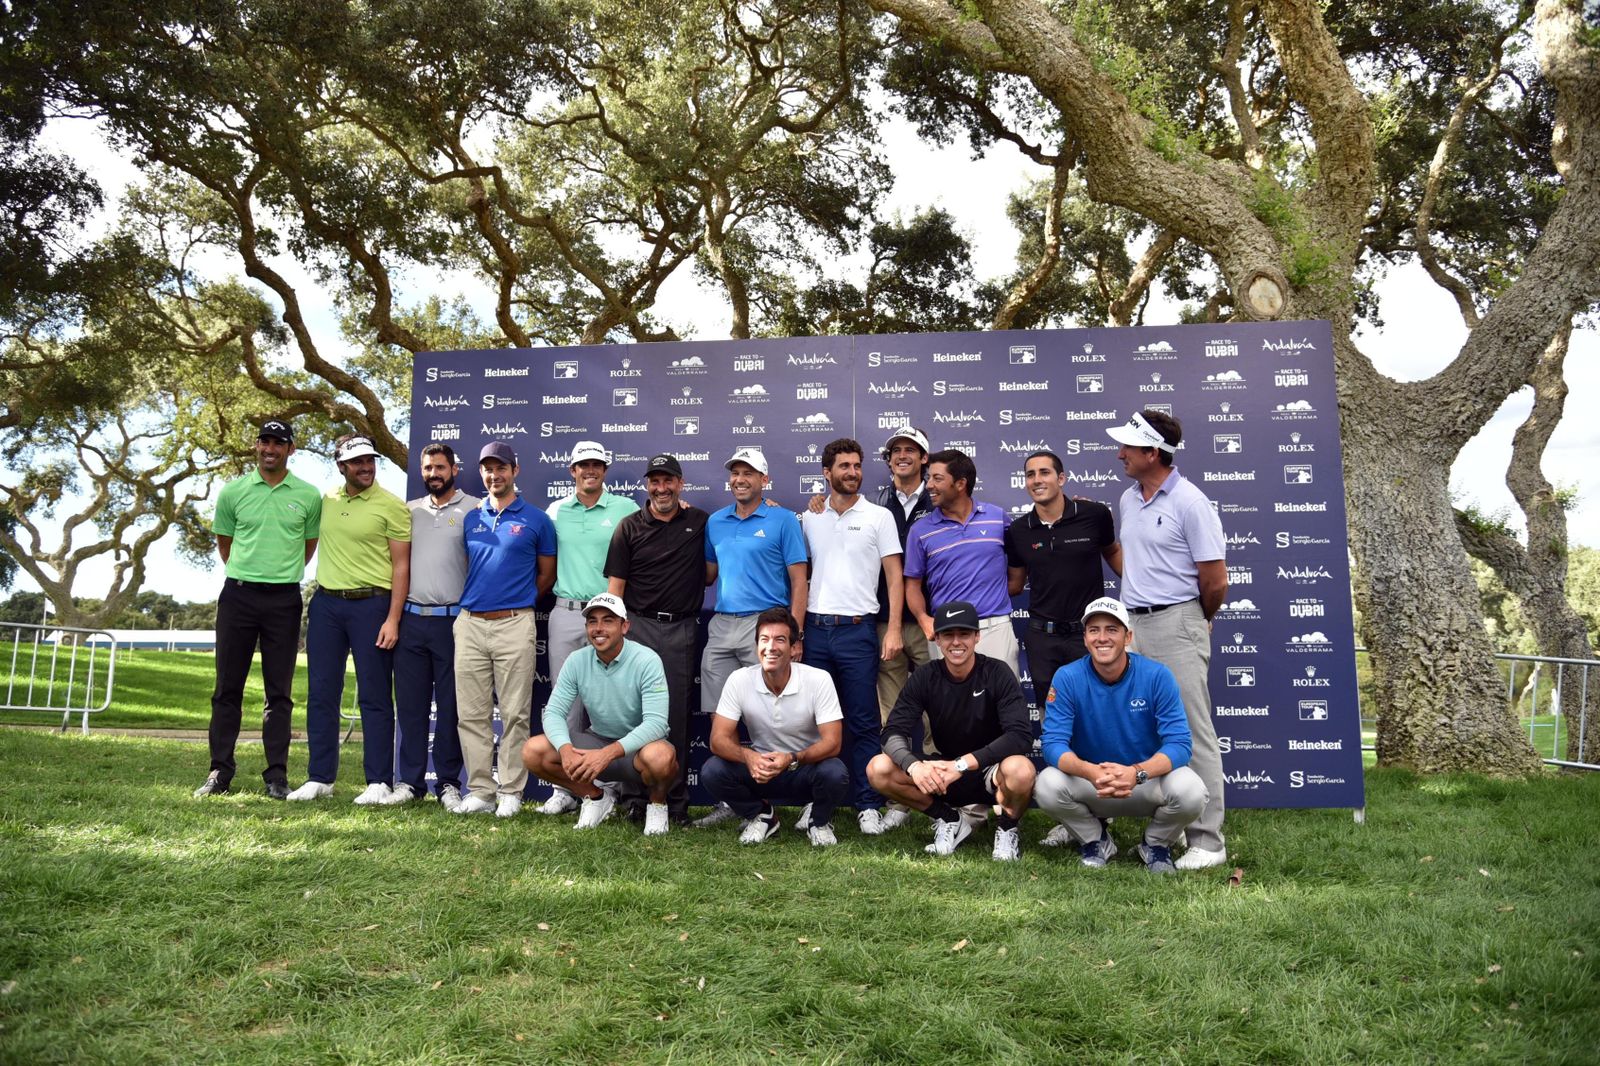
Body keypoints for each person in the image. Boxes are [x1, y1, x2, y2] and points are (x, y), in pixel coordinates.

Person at [1106, 409, 1229, 870]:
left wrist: (1198, 617)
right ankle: (1173, 824)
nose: (1120, 454)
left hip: (1178, 621)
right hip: (1134, 625)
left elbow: (1215, 580)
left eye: (1127, 448)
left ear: (1152, 453)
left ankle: (1209, 841)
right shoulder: (1129, 498)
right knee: (1147, 731)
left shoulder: (1192, 503)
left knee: (1193, 734)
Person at [194, 418, 320, 800]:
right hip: (238, 597)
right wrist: (248, 573)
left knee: (278, 693)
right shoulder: (233, 492)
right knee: (226, 690)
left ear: (290, 449)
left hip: (284, 599)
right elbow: (225, 544)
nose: (270, 449)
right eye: (265, 441)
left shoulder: (309, 495)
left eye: (278, 443)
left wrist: (277, 574)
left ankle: (277, 776)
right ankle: (220, 771)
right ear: (256, 446)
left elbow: (308, 546)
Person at [1033, 597, 1207, 874]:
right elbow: (1053, 744)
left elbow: (1180, 744)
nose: (1102, 638)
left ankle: (1155, 843)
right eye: (1094, 630)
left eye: (1112, 629)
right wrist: (1089, 771)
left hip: (1143, 781)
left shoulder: (1156, 675)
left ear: (1128, 636)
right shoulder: (1067, 677)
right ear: (1086, 638)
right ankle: (1096, 840)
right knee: (1047, 784)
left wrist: (1136, 772)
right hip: (1094, 781)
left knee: (1192, 791)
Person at [287, 434, 411, 804]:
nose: (366, 467)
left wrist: (393, 618)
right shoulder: (325, 501)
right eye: (357, 462)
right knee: (321, 693)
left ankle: (378, 781)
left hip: (373, 605)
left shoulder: (392, 506)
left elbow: (402, 567)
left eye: (370, 460)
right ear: (341, 466)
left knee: (374, 695)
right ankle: (320, 777)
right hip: (327, 604)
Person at [867, 602, 1036, 861]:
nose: (956, 642)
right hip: (942, 772)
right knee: (878, 768)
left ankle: (1007, 828)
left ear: (977, 636)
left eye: (964, 634)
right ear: (937, 639)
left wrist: (962, 764)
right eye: (948, 635)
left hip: (988, 771)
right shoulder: (926, 676)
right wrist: (915, 767)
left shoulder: (997, 672)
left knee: (1020, 770)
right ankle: (949, 819)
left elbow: (1021, 735)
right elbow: (892, 732)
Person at [798, 437, 905, 837]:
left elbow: (894, 577)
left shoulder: (879, 516)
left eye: (857, 466)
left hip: (860, 631)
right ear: (827, 473)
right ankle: (814, 801)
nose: (852, 473)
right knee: (812, 722)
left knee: (862, 721)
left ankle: (867, 804)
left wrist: (893, 628)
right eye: (843, 466)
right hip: (815, 630)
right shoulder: (810, 516)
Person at [452, 441, 557, 817]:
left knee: (514, 712)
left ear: (515, 471)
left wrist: (519, 601)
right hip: (470, 624)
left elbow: (546, 576)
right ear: (482, 473)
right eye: (487, 469)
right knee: (472, 713)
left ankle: (511, 790)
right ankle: (480, 790)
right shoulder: (470, 517)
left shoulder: (537, 519)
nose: (494, 475)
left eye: (501, 469)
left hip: (515, 622)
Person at [603, 453, 709, 824]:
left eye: (668, 481)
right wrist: (615, 634)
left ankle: (673, 802)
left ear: (680, 484)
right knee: (635, 715)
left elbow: (710, 573)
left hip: (680, 628)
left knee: (675, 717)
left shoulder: (699, 522)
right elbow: (615, 589)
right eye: (654, 481)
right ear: (647, 485)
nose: (661, 488)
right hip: (638, 627)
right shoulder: (629, 526)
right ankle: (635, 798)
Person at [537, 440, 639, 817]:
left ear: (605, 471)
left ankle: (613, 788)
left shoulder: (626, 508)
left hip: (609, 616)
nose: (589, 470)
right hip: (565, 612)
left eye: (597, 464)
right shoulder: (555, 511)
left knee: (610, 703)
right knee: (566, 705)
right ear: (572, 471)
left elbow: (662, 519)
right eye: (583, 465)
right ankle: (568, 788)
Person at [521, 593, 677, 835]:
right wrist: (565, 749)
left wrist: (607, 754)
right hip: (596, 742)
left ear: (625, 626)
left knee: (661, 756)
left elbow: (657, 724)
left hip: (637, 751)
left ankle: (657, 806)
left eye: (608, 620)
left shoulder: (647, 660)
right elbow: (553, 712)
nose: (598, 628)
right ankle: (595, 798)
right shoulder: (577, 660)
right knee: (534, 751)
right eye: (592, 621)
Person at [701, 607, 849, 846]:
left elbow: (833, 743)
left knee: (835, 772)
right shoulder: (739, 679)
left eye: (780, 640)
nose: (771, 647)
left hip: (803, 768)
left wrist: (791, 758)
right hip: (761, 770)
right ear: (756, 646)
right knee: (713, 771)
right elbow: (718, 739)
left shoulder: (818, 679)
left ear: (793, 648)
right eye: (764, 639)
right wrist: (748, 756)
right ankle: (761, 816)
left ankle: (819, 822)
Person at [391, 443, 477, 810]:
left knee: (451, 708)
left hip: (454, 622)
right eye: (427, 468)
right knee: (410, 708)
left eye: (440, 467)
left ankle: (447, 783)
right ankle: (409, 783)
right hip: (411, 620)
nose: (433, 474)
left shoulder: (475, 508)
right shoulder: (408, 511)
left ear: (454, 470)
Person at [701, 445, 809, 724]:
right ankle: (727, 768)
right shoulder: (715, 521)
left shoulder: (783, 519)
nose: (739, 479)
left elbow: (799, 581)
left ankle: (777, 767)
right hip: (722, 625)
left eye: (748, 473)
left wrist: (795, 635)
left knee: (772, 712)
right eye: (735, 473)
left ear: (764, 480)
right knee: (720, 713)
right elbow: (708, 574)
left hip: (766, 624)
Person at [1005, 448, 1120, 699]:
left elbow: (1113, 552)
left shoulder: (1094, 514)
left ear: (1061, 478)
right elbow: (1014, 584)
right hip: (1042, 639)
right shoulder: (1018, 530)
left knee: (1098, 707)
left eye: (1044, 472)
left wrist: (1139, 589)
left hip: (1089, 635)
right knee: (1053, 714)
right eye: (1030, 474)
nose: (1037, 480)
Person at [903, 449, 1020, 678]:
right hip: (947, 633)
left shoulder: (998, 518)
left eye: (937, 478)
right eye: (929, 478)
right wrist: (923, 619)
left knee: (1003, 708)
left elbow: (1018, 569)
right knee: (949, 710)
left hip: (995, 629)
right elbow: (912, 586)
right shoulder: (920, 531)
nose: (928, 485)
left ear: (960, 484)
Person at [871, 426, 936, 718]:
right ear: (888, 461)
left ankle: (936, 762)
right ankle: (895, 763)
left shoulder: (940, 502)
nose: (901, 455)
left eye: (910, 449)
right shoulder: (874, 503)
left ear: (924, 458)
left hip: (931, 622)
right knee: (890, 709)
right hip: (886, 620)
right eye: (896, 451)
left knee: (937, 706)